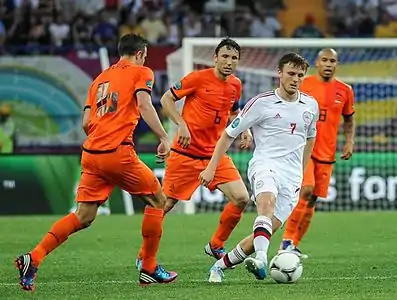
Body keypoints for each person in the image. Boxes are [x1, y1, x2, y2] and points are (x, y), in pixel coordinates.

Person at [15, 34, 177, 291]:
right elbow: (145, 104)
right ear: (140, 53)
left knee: (83, 216)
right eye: (144, 55)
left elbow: (86, 123)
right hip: (117, 152)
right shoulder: (141, 71)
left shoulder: (99, 80)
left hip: (92, 153)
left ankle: (33, 258)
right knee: (159, 200)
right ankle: (148, 266)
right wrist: (164, 137)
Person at [199, 52, 319, 282]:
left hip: (292, 177)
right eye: (291, 73)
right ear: (279, 73)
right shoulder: (261, 103)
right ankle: (263, 261)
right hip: (265, 164)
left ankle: (219, 267)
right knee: (266, 203)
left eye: (300, 75)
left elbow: (311, 138)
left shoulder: (310, 106)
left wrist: (301, 173)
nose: (295, 79)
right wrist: (212, 168)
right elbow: (228, 134)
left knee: (262, 233)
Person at [135, 37, 253, 269]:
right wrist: (181, 124)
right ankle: (144, 258)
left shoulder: (235, 84)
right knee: (163, 206)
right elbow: (167, 99)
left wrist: (245, 129)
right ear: (215, 58)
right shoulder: (198, 78)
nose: (229, 62)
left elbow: (234, 111)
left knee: (241, 198)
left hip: (215, 156)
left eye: (234, 58)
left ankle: (216, 244)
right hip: (186, 155)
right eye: (225, 56)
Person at [280, 48, 355, 255]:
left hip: (327, 153)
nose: (329, 64)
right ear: (317, 63)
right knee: (306, 189)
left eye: (332, 61)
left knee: (312, 198)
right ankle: (285, 241)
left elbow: (349, 118)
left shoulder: (345, 90)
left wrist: (349, 141)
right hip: (304, 148)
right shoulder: (304, 84)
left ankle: (294, 243)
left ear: (336, 64)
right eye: (325, 60)